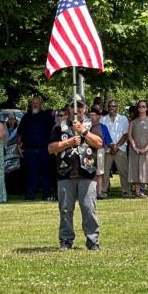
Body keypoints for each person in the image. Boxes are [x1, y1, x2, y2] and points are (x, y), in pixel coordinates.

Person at [48, 94, 103, 251]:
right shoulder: (59, 127)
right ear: (68, 108)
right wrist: (68, 142)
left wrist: (84, 132)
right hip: (65, 172)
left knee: (88, 208)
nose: (76, 109)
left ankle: (92, 241)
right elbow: (51, 148)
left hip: (87, 172)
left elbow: (99, 143)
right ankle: (66, 240)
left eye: (79, 106)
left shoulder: (93, 124)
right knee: (65, 209)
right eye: (73, 106)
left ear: (84, 108)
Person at [17, 96, 55, 201]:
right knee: (30, 173)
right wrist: (18, 146)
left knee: (45, 172)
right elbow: (19, 133)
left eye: (37, 103)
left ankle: (47, 194)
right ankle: (30, 195)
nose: (35, 104)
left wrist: (52, 144)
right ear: (31, 104)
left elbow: (53, 130)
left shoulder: (47, 116)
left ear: (41, 104)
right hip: (29, 149)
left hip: (44, 149)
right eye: (33, 103)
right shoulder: (26, 117)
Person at [128, 100, 148, 198]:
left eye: (143, 106)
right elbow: (129, 135)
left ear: (146, 108)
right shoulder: (133, 121)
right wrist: (134, 147)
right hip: (135, 149)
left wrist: (145, 148)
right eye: (139, 107)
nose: (141, 108)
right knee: (136, 169)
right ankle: (137, 193)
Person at [100, 100, 130, 198]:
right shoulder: (103, 119)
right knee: (105, 172)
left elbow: (126, 134)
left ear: (117, 107)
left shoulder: (123, 119)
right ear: (107, 108)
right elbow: (103, 135)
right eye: (110, 106)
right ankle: (104, 191)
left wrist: (116, 146)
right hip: (107, 149)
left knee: (123, 171)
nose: (112, 108)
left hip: (120, 148)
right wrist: (111, 146)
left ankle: (126, 191)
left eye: (114, 106)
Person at [89, 106, 112, 199]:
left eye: (94, 115)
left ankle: (99, 192)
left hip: (99, 151)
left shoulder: (103, 127)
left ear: (99, 116)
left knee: (99, 172)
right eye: (90, 115)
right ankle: (91, 192)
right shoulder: (87, 126)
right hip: (88, 151)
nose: (92, 117)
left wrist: (102, 151)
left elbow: (107, 141)